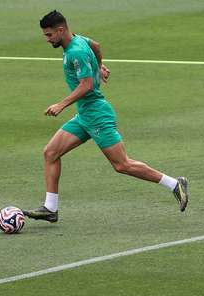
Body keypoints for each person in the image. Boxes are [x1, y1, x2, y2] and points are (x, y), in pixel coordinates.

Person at [24, 10, 188, 223]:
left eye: (49, 35)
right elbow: (97, 45)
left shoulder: (75, 52)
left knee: (122, 165)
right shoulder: (79, 40)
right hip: (85, 115)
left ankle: (175, 184)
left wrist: (61, 104)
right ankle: (50, 208)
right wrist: (100, 65)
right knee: (50, 153)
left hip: (97, 115)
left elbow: (87, 85)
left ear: (61, 30)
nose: (47, 39)